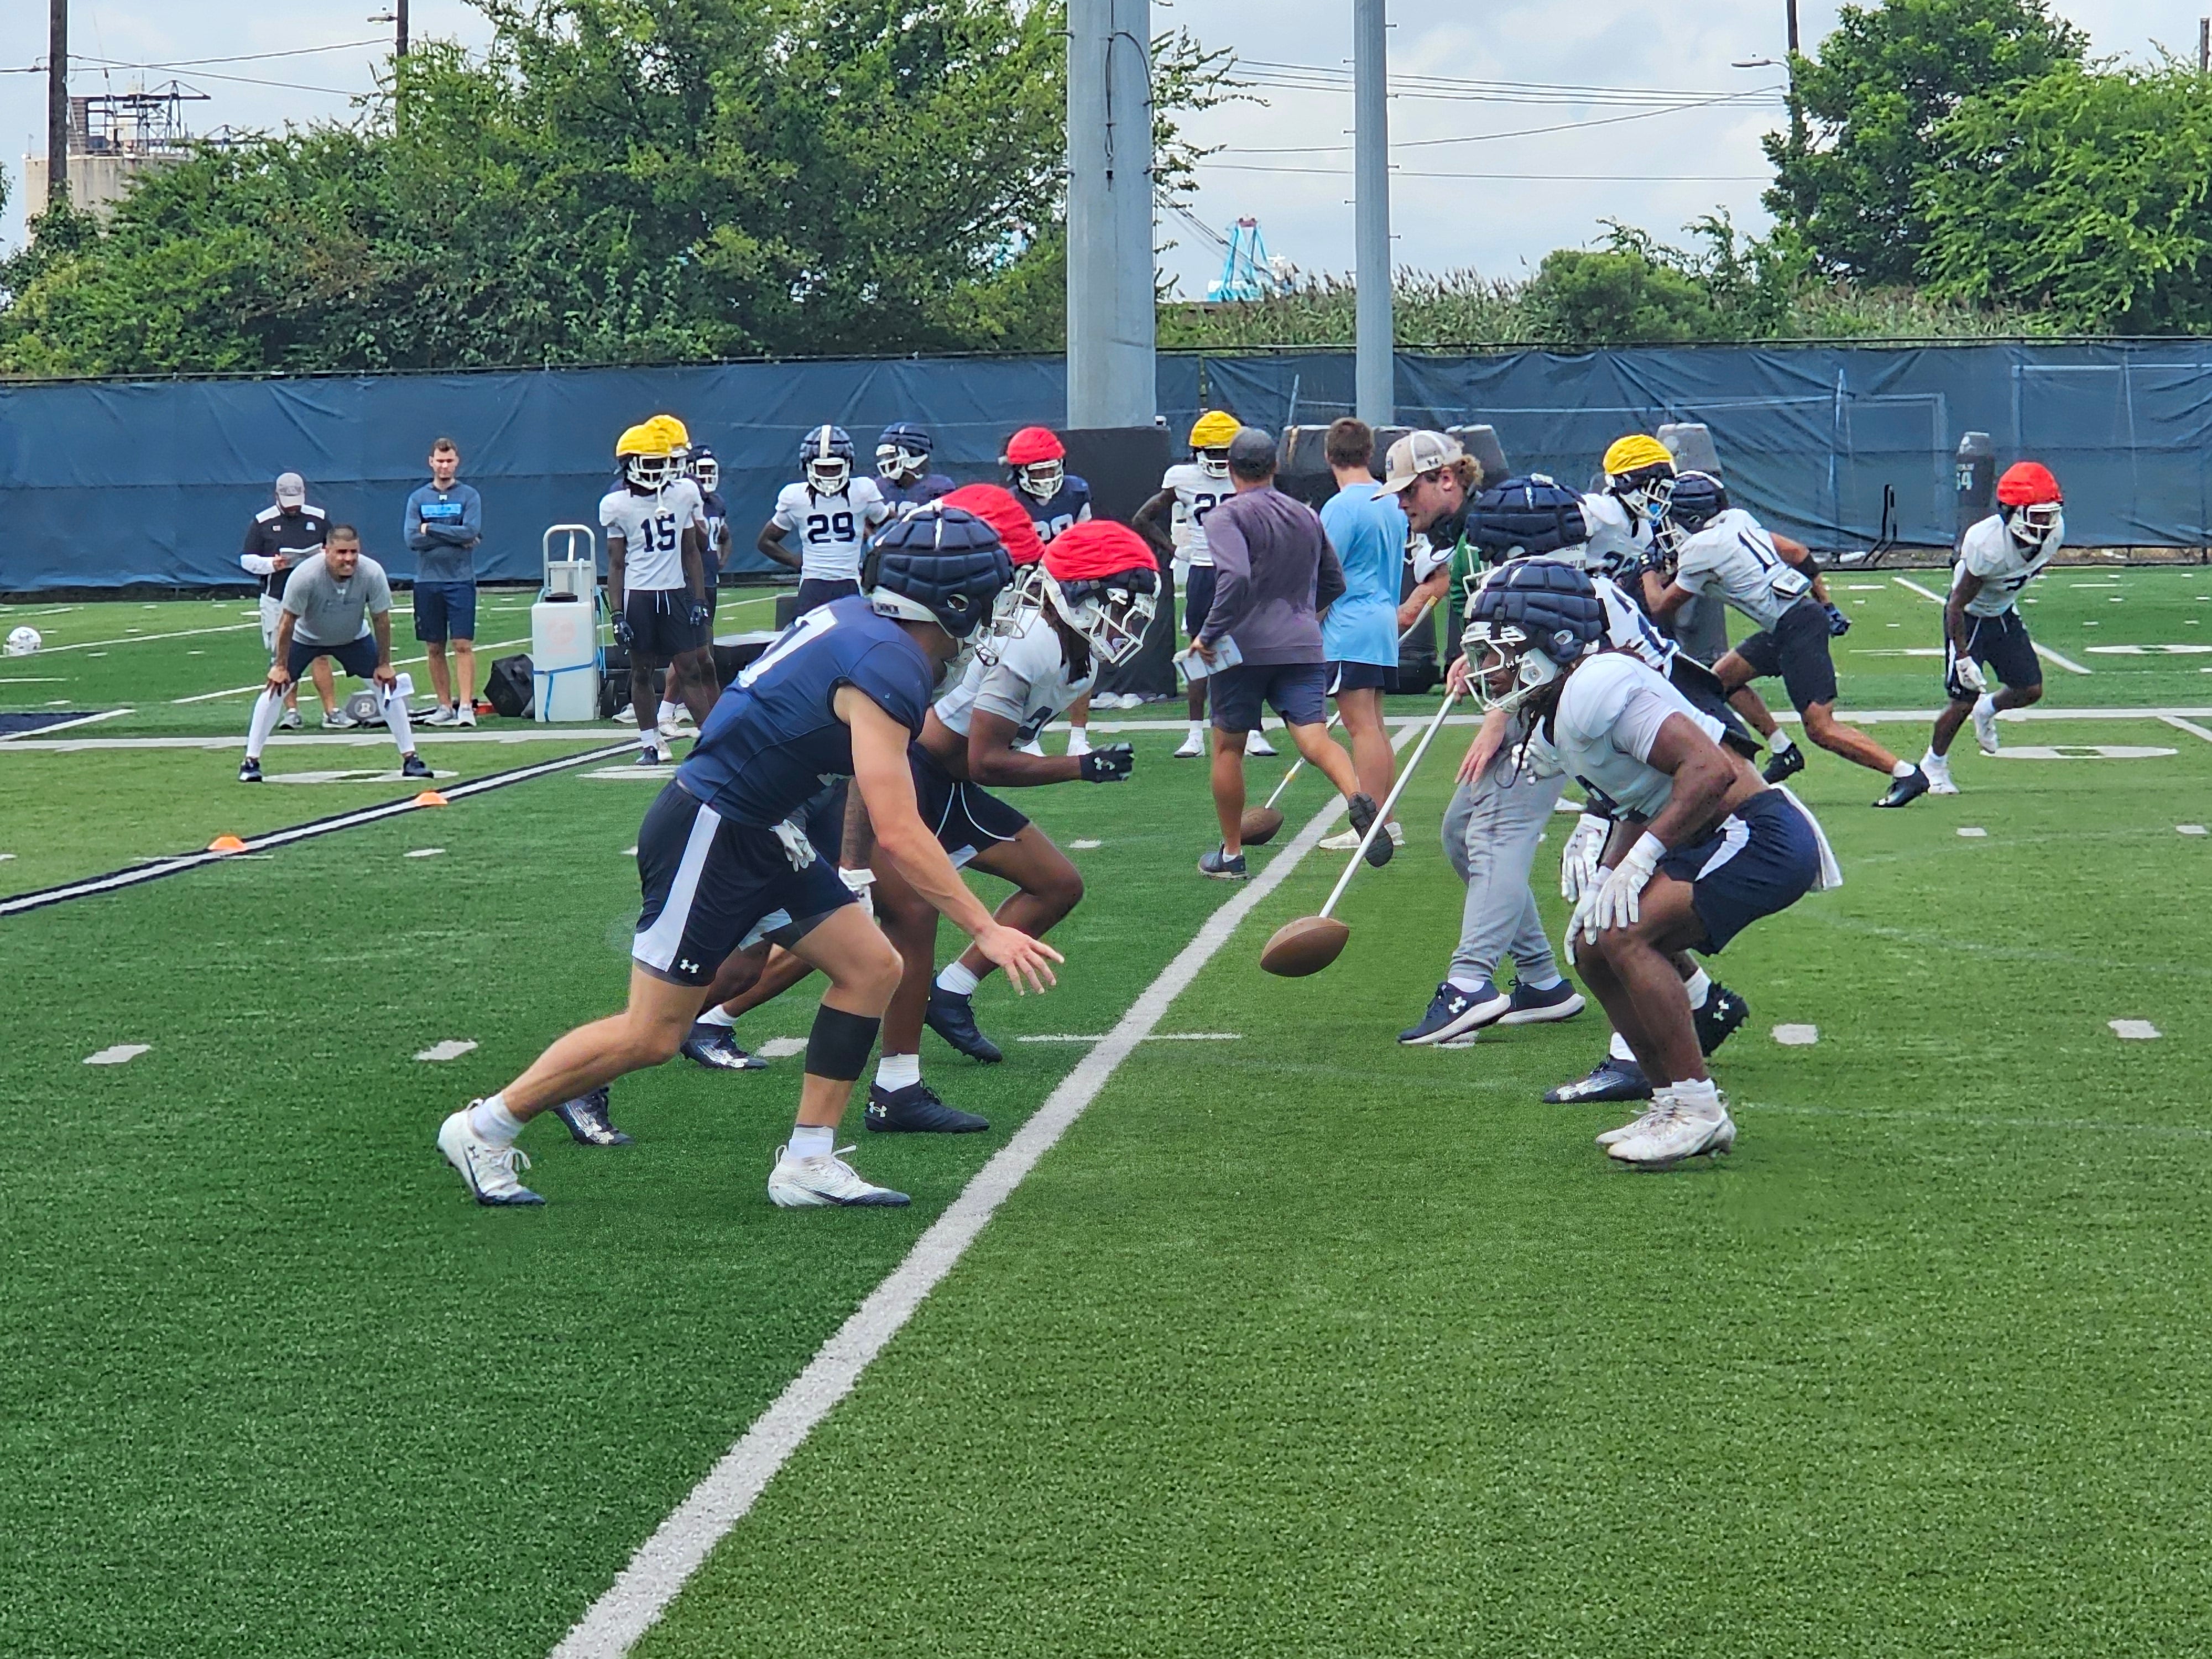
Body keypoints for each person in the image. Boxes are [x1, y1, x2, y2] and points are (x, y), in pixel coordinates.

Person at [435, 508, 1062, 1208]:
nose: (1005, 607)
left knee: (871, 967)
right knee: (653, 1034)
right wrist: (986, 927)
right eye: (995, 591)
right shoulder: (889, 662)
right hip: (714, 826)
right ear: (950, 600)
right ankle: (483, 1127)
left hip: (760, 822)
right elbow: (900, 831)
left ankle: (807, 1161)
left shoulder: (862, 623)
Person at [1463, 560, 1840, 1166]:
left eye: (1499, 651)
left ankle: (1699, 1110)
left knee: (1627, 934)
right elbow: (1639, 798)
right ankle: (1669, 1099)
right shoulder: (1561, 711)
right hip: (1709, 833)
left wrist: (1641, 859)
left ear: (1549, 643)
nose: (1488, 669)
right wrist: (1610, 874)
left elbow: (1710, 771)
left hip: (1756, 834)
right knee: (1593, 941)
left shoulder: (1596, 685)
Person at [865, 519, 1152, 1123]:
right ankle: (710, 1014)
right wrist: (1081, 767)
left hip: (953, 785)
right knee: (846, 929)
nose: (1125, 620)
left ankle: (952, 993)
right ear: (1077, 595)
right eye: (1116, 603)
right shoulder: (1029, 642)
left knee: (1057, 885)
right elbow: (987, 759)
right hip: (920, 779)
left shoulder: (1074, 644)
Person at [1643, 472, 1929, 808]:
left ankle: (1905, 772)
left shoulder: (1701, 549)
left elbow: (1660, 607)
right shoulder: (1738, 519)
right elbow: (1796, 552)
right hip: (1793, 618)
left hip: (1795, 626)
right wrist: (1827, 604)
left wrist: (1647, 568)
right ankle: (1783, 750)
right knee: (1720, 681)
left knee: (1821, 728)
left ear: (1691, 517)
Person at [1192, 426, 1379, 879]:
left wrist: (1210, 633)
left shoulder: (1225, 516)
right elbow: (1334, 581)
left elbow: (1234, 577)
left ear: (1231, 470)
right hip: (1302, 642)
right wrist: (1301, 616)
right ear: (1276, 467)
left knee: (1228, 748)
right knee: (1315, 738)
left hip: (1242, 647)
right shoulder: (1306, 514)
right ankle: (1357, 798)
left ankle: (1232, 855)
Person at [1134, 410, 1275, 759]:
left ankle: (1253, 729)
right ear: (1197, 452)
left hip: (1241, 570)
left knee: (1248, 650)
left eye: (1224, 452)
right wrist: (1176, 549)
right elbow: (1142, 518)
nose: (1218, 460)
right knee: (1200, 650)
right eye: (1211, 452)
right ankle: (1195, 732)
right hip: (1203, 571)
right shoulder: (1183, 478)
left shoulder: (1248, 477)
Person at [239, 525, 428, 784]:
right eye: (341, 552)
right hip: (306, 638)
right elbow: (287, 622)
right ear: (326, 551)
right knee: (275, 688)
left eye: (353, 552)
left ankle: (411, 758)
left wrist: (385, 664)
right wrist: (280, 665)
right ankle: (251, 762)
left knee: (387, 685)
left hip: (353, 638)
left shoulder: (372, 573)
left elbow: (381, 620)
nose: (348, 559)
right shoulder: (305, 576)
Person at [1919, 461, 2063, 793]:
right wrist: (1964, 656)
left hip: (2002, 611)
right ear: (2012, 511)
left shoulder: (2055, 533)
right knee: (1963, 698)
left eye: (2049, 513)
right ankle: (1933, 766)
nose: (2046, 522)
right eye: (2037, 515)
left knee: (2030, 689)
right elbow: (1957, 604)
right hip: (1970, 618)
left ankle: (1989, 708)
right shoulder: (1987, 544)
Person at [1316, 418, 1407, 851]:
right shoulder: (1391, 501)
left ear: (1329, 456)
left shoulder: (1341, 507)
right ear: (1368, 454)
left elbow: (1325, 574)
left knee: (1361, 727)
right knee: (1375, 724)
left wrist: (1306, 622)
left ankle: (1372, 825)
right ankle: (1385, 820)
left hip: (1350, 625)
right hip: (1382, 620)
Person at [603, 422, 714, 767]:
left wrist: (697, 599)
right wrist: (617, 613)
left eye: (659, 463)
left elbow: (692, 552)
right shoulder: (617, 504)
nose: (656, 471)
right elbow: (616, 564)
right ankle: (650, 743)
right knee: (641, 672)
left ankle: (712, 744)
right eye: (648, 464)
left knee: (690, 669)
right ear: (630, 465)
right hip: (639, 596)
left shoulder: (682, 494)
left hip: (674, 593)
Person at [1004, 425, 1115, 758]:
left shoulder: (1076, 491)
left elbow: (1085, 536)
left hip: (1070, 578)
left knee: (1082, 656)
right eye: (1038, 471)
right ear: (1020, 472)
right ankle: (1029, 735)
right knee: (1030, 659)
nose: (1047, 477)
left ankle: (1078, 736)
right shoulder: (1011, 501)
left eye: (1052, 469)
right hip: (1029, 581)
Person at [760, 425, 892, 614]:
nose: (829, 474)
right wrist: (798, 562)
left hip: (849, 582)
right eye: (822, 468)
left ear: (848, 464)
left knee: (851, 638)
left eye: (834, 468)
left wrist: (876, 553)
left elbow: (892, 527)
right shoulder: (795, 496)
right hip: (813, 583)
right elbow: (765, 541)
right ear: (808, 466)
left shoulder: (863, 490)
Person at [240, 472, 335, 728]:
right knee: (282, 656)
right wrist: (272, 563)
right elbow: (247, 560)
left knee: (321, 653)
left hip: (313, 596)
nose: (293, 505)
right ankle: (291, 710)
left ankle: (331, 710)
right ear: (277, 497)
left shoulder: (318, 518)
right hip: (277, 596)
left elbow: (335, 550)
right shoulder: (263, 522)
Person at [403, 438, 484, 728]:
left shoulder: (469, 496)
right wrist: (454, 533)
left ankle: (465, 706)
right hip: (427, 581)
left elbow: (471, 531)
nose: (444, 466)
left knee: (462, 644)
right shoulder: (418, 498)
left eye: (449, 461)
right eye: (440, 460)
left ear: (457, 462)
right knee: (434, 647)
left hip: (460, 580)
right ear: (431, 462)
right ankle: (443, 705)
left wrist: (431, 528)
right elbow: (412, 539)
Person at [875, 423, 955, 517]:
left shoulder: (939, 487)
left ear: (914, 453)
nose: (886, 461)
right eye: (884, 456)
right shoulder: (878, 486)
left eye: (891, 456)